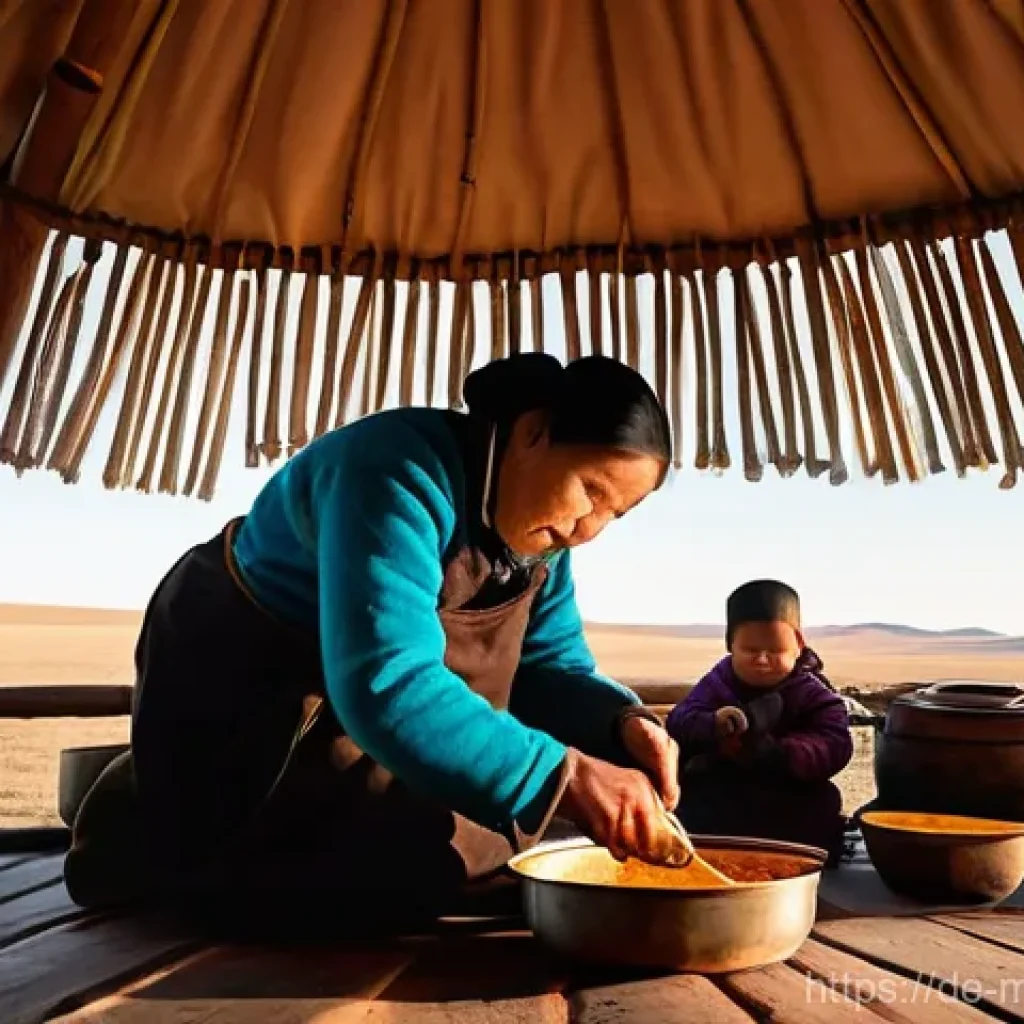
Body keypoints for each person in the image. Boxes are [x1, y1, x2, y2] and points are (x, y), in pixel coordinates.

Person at [64, 352, 683, 926]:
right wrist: (568, 775)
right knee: (246, 865)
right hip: (253, 676)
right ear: (532, 432)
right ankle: (127, 813)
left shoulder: (541, 545)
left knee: (441, 855)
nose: (586, 530)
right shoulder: (397, 472)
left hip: (358, 719)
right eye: (591, 491)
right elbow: (387, 682)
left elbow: (548, 667)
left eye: (614, 514)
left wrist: (619, 723)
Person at [665, 580, 853, 862]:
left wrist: (779, 753)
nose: (762, 660)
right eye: (751, 650)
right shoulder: (717, 682)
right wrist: (711, 725)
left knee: (820, 808)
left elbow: (835, 742)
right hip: (722, 796)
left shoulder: (813, 693)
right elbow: (680, 720)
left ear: (798, 645)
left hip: (789, 797)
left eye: (775, 650)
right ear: (730, 645)